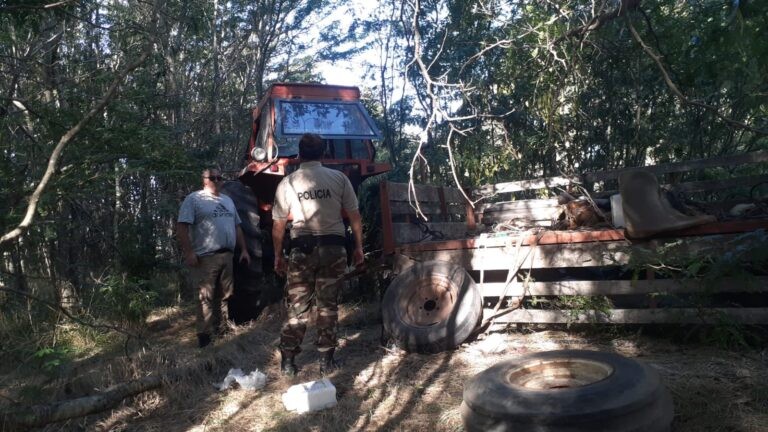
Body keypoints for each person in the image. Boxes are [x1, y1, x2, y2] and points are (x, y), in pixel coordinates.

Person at [272, 133, 364, 375]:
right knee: (328, 306)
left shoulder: (288, 183)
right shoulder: (339, 178)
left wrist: (278, 256)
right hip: (334, 249)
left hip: (301, 250)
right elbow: (355, 217)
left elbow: (278, 226)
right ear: (323, 153)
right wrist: (358, 248)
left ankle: (288, 363)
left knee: (297, 306)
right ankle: (326, 362)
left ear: (300, 154)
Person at [177, 168, 251, 348]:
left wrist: (244, 250)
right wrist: (189, 253)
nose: (217, 180)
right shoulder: (194, 199)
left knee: (225, 295)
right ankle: (205, 337)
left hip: (227, 255)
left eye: (219, 178)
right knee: (205, 297)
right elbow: (182, 227)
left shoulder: (227, 200)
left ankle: (221, 330)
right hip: (205, 257)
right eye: (213, 178)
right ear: (204, 180)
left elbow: (237, 226)